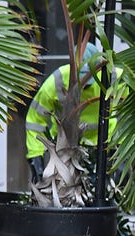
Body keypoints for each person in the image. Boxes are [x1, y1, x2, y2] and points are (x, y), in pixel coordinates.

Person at [25, 42, 119, 183]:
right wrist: (36, 157)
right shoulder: (58, 80)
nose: (85, 82)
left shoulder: (115, 79)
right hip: (65, 151)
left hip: (103, 148)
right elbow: (35, 120)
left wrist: (121, 153)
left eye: (89, 77)